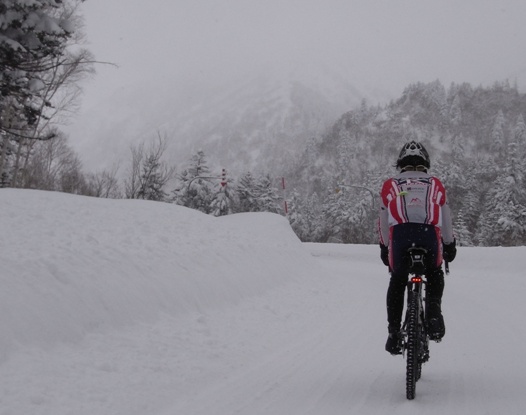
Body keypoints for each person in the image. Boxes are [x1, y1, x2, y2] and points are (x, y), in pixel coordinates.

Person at [378, 141, 457, 355]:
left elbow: (384, 223)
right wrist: (449, 245)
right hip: (428, 236)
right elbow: (446, 219)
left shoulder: (390, 185)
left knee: (397, 280)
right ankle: (433, 312)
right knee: (434, 272)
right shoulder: (436, 184)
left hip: (401, 238)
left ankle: (394, 334)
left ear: (400, 163)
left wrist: (384, 248)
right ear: (425, 162)